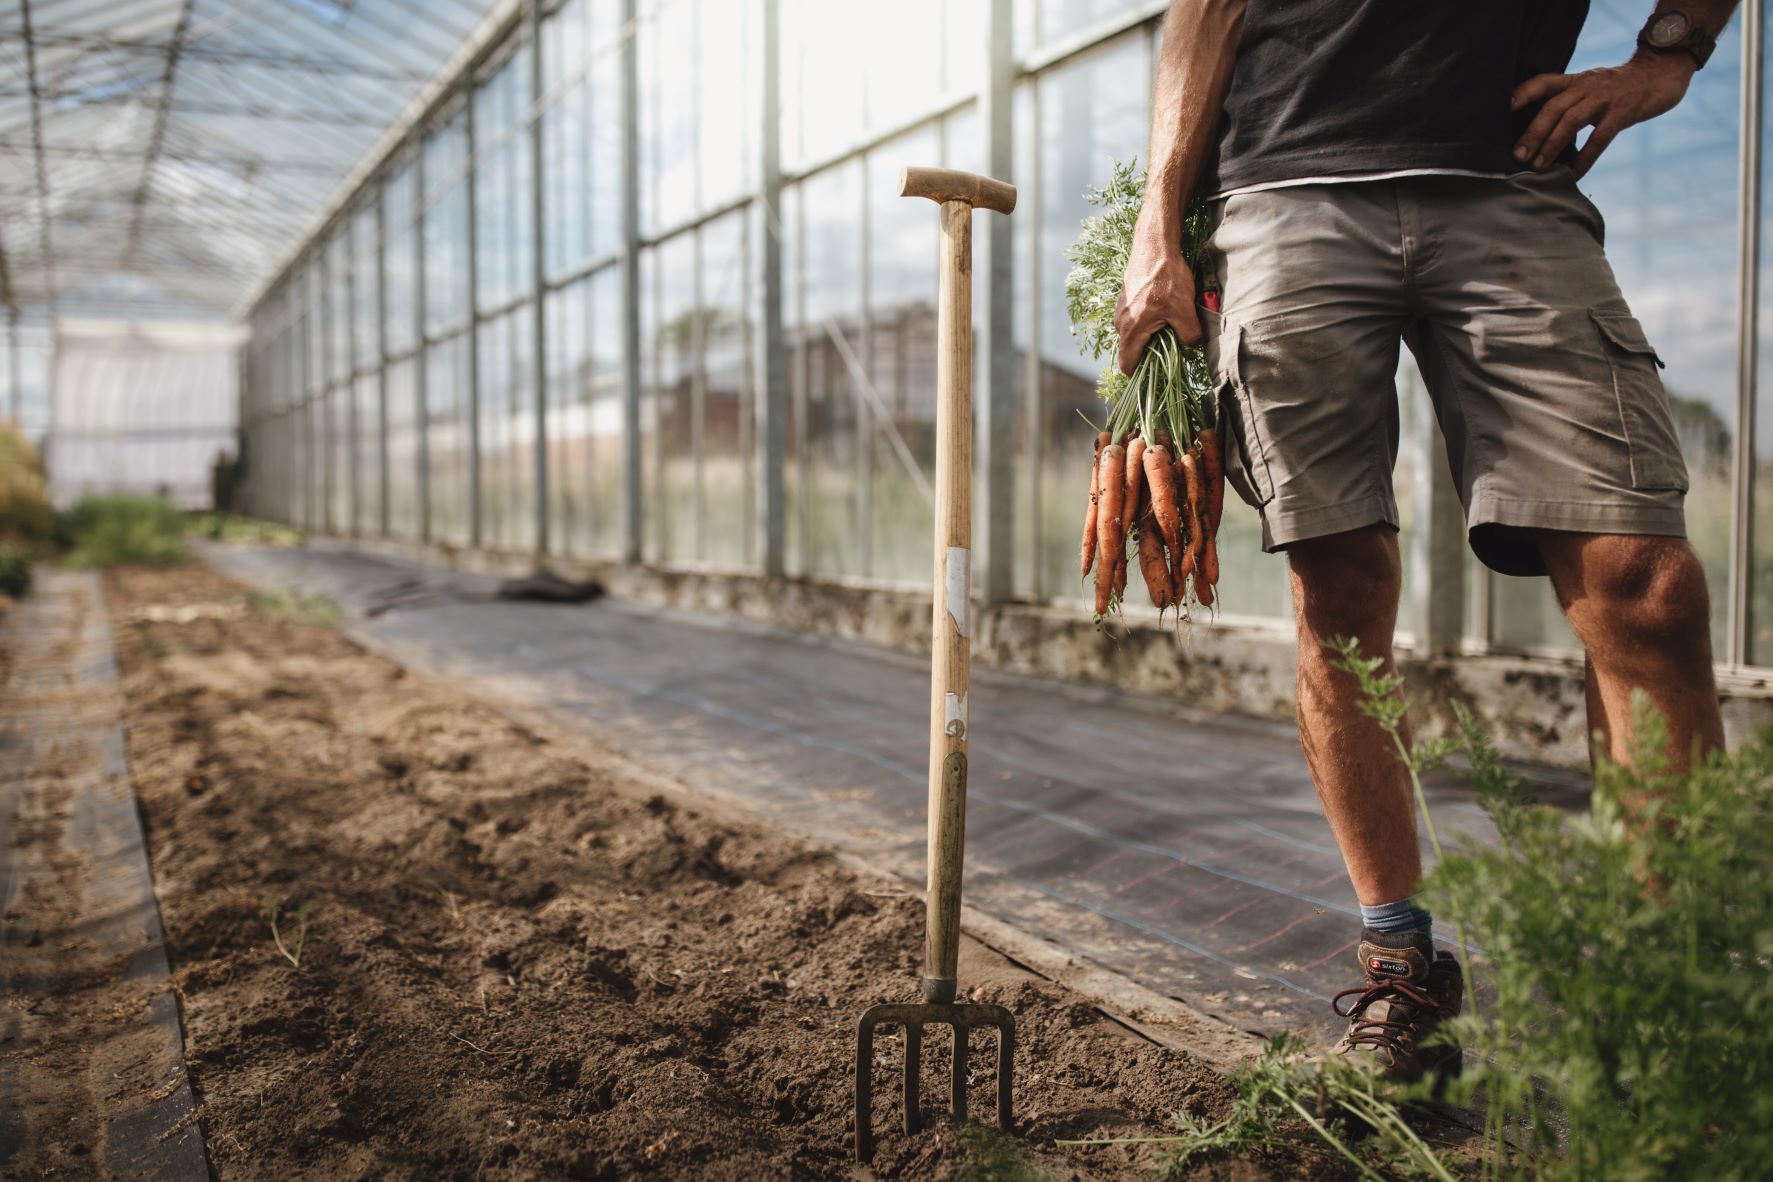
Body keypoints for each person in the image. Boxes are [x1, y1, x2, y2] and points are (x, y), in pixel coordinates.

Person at [1117, 0, 1735, 1082]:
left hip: (1510, 180)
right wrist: (1156, 230)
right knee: (1339, 596)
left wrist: (1669, 52)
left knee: (1646, 587)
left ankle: (1668, 997)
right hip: (1287, 185)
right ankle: (1401, 966)